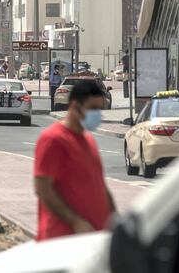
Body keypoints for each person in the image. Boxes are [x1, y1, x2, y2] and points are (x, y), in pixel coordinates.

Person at [33, 81, 116, 241]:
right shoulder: (53, 139)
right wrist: (75, 221)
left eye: (99, 109)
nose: (97, 114)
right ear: (75, 106)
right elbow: (43, 189)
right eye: (92, 108)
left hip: (91, 239)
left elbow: (99, 185)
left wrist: (114, 218)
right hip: (61, 241)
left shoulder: (88, 140)